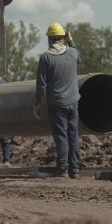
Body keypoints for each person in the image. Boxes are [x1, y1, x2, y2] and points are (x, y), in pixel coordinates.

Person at [35, 22, 82, 178]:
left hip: (56, 103)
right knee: (72, 135)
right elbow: (80, 57)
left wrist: (37, 103)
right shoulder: (72, 53)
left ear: (50, 39)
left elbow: (41, 85)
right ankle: (74, 170)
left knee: (61, 135)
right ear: (63, 37)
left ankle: (62, 169)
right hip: (73, 101)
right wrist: (71, 40)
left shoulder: (46, 58)